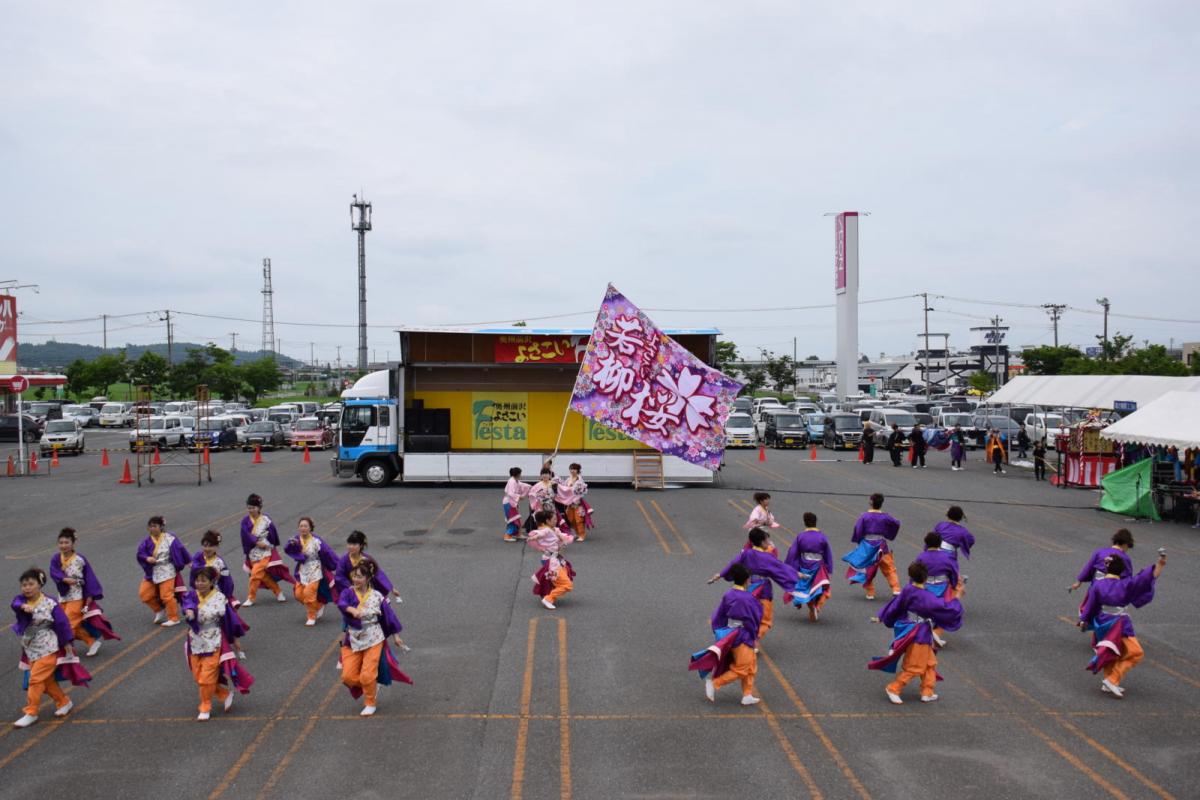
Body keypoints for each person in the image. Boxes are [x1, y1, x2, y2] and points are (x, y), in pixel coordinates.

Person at [869, 561, 963, 705]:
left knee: (930, 663)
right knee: (915, 666)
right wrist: (956, 597)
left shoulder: (907, 589)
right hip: (920, 634)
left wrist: (883, 616)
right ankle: (894, 688)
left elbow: (895, 606)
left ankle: (927, 691)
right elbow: (946, 609)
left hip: (909, 627)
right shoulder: (926, 597)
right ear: (925, 578)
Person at [10, 567, 91, 728]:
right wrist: (22, 607)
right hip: (31, 649)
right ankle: (64, 701)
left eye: (30, 584)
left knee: (35, 680)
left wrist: (67, 643)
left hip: (49, 647)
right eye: (24, 585)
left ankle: (31, 712)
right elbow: (15, 603)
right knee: (46, 682)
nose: (26, 588)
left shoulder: (50, 602)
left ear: (39, 584)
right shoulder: (21, 601)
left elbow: (62, 624)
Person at [1078, 550, 1166, 698]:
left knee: (1111, 651)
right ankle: (1112, 679)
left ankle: (1109, 680)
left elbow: (1091, 605)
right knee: (1135, 653)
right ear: (1123, 570)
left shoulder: (1098, 585)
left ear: (1106, 568)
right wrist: (1160, 564)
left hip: (1102, 622)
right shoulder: (1126, 584)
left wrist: (1083, 620)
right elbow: (1145, 579)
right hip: (1119, 623)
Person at [337, 561, 411, 716]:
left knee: (367, 675)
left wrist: (396, 637)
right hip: (353, 638)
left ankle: (370, 702)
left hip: (373, 637)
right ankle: (370, 684)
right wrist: (351, 609)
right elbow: (341, 603)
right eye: (354, 576)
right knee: (347, 676)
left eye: (359, 577)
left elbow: (389, 617)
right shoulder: (348, 593)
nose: (356, 579)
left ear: (368, 578)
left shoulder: (377, 597)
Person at [182, 566, 252, 720]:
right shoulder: (191, 595)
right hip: (195, 640)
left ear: (212, 581)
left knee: (206, 677)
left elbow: (229, 620)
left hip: (213, 640)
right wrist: (189, 611)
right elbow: (187, 605)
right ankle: (224, 694)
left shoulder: (220, 597)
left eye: (203, 580)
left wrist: (235, 640)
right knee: (198, 676)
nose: (200, 583)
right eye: (197, 580)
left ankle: (205, 706)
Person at [709, 527, 799, 640]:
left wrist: (721, 574)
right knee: (765, 619)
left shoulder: (746, 554)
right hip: (763, 590)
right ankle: (752, 639)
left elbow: (733, 564)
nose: (768, 543)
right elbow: (781, 568)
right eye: (767, 540)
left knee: (747, 614)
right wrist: (796, 574)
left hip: (748, 587)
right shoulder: (768, 557)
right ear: (761, 541)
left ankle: (741, 637)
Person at [699, 563, 763, 706]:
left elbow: (719, 614)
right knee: (742, 668)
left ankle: (747, 694)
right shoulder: (749, 598)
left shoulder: (728, 594)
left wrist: (719, 631)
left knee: (751, 665)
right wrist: (754, 637)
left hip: (729, 632)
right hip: (743, 635)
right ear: (747, 580)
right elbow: (753, 620)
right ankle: (715, 683)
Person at [49, 528, 119, 657]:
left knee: (69, 624)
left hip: (77, 597)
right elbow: (53, 572)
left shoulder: (80, 559)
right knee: (62, 623)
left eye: (66, 542)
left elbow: (89, 578)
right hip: (63, 597)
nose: (63, 545)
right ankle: (91, 642)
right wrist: (64, 578)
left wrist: (90, 596)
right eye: (61, 543)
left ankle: (65, 651)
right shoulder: (56, 558)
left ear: (73, 543)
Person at [190, 530, 245, 659]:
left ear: (217, 547)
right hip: (202, 594)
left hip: (216, 596)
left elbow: (227, 581)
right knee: (201, 620)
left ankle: (236, 644)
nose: (207, 548)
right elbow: (194, 573)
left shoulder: (220, 562)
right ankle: (202, 647)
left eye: (211, 545)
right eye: (205, 545)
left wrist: (226, 593)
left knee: (229, 620)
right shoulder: (198, 557)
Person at [842, 493, 902, 600]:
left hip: (867, 546)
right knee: (889, 568)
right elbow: (896, 523)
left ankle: (870, 592)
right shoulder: (885, 517)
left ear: (870, 502)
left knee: (867, 568)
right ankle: (896, 589)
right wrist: (889, 534)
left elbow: (858, 529)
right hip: (881, 546)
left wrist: (858, 540)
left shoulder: (864, 516)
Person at [239, 494, 294, 606]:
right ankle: (278, 591)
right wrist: (256, 541)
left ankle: (251, 597)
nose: (251, 510)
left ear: (259, 507)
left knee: (255, 573)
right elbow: (245, 535)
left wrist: (269, 544)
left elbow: (272, 533)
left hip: (266, 551)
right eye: (249, 507)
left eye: (253, 507)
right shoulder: (245, 521)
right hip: (253, 551)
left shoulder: (266, 519)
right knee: (263, 575)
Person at [284, 517, 341, 626]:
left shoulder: (316, 540)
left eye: (305, 526)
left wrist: (338, 565)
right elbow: (288, 549)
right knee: (299, 594)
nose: (303, 528)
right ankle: (318, 605)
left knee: (308, 592)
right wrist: (291, 545)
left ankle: (311, 616)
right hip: (302, 569)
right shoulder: (296, 539)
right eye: (301, 526)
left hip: (315, 569)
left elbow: (328, 552)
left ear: (310, 528)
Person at [136, 515, 190, 626]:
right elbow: (140, 553)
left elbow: (181, 549)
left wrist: (189, 561)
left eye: (154, 526)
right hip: (152, 571)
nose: (152, 528)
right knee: (144, 594)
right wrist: (147, 558)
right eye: (150, 526)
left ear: (161, 527)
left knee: (167, 595)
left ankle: (174, 618)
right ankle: (159, 610)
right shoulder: (146, 541)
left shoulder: (170, 538)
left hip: (167, 570)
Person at [784, 512, 834, 622]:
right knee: (819, 587)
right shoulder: (822, 537)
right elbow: (827, 553)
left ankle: (812, 607)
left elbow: (793, 552)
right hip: (818, 566)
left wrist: (790, 566)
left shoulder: (801, 536)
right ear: (816, 522)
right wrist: (828, 566)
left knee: (805, 588)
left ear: (805, 523)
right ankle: (817, 606)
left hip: (804, 565)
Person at [913, 532, 960, 646]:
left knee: (923, 612)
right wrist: (953, 584)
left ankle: (922, 635)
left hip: (925, 587)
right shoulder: (946, 557)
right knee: (945, 611)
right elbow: (953, 573)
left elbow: (915, 573)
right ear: (940, 543)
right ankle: (935, 633)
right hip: (941, 587)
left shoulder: (921, 556)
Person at [333, 531, 401, 602]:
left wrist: (391, 588)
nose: (351, 547)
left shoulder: (367, 559)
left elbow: (378, 573)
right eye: (349, 544)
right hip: (352, 591)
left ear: (361, 545)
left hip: (368, 590)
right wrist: (349, 586)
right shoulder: (343, 561)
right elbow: (339, 577)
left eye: (354, 544)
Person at [529, 510, 575, 610]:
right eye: (554, 519)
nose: (556, 520)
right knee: (567, 584)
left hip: (555, 559)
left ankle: (547, 595)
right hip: (552, 562)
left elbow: (560, 538)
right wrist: (535, 537)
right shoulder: (547, 530)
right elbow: (541, 534)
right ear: (547, 520)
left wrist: (565, 538)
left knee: (552, 580)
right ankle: (548, 598)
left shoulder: (553, 529)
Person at [1070, 529, 1135, 592]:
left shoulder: (1100, 552)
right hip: (1113, 590)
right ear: (1125, 544)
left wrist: (1079, 582)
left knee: (1088, 602)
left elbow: (1088, 568)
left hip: (1097, 587)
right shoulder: (1125, 558)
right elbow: (1128, 577)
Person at [932, 506, 975, 599]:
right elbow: (971, 540)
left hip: (934, 553)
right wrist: (960, 543)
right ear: (960, 518)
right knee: (954, 578)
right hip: (949, 557)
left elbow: (932, 537)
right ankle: (952, 601)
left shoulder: (940, 525)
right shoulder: (963, 531)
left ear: (948, 515)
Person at [556, 463, 590, 542]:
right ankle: (577, 533)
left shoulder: (580, 481)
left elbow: (581, 492)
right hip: (569, 503)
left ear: (578, 470)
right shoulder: (568, 479)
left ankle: (582, 534)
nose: (572, 471)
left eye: (574, 469)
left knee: (579, 519)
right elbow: (564, 488)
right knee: (570, 519)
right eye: (571, 469)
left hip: (577, 503)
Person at [526, 468, 561, 533]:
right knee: (542, 521)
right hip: (541, 506)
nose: (545, 475)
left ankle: (552, 534)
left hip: (551, 506)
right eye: (543, 474)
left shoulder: (553, 484)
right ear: (541, 475)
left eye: (546, 473)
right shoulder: (537, 485)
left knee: (551, 520)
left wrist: (551, 495)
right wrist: (538, 497)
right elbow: (531, 494)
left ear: (550, 475)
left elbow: (557, 494)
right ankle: (542, 534)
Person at [503, 467, 531, 542]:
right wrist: (519, 496)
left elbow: (522, 485)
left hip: (510, 502)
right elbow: (510, 493)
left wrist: (529, 486)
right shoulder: (512, 481)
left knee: (516, 519)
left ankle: (518, 534)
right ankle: (507, 535)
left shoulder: (515, 481)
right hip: (509, 502)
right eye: (520, 474)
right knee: (514, 520)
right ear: (518, 474)